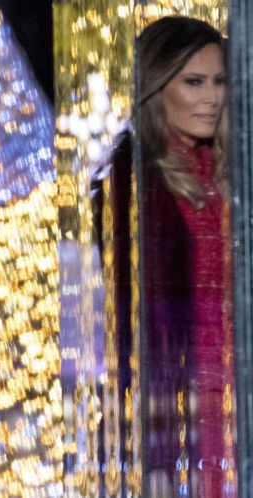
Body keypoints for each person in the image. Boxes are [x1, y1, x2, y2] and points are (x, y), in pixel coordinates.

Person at [94, 16, 231, 497]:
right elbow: (133, 328)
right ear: (156, 87)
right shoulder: (133, 177)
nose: (211, 98)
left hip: (239, 387)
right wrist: (152, 457)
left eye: (219, 81)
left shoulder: (235, 168)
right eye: (193, 82)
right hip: (183, 400)